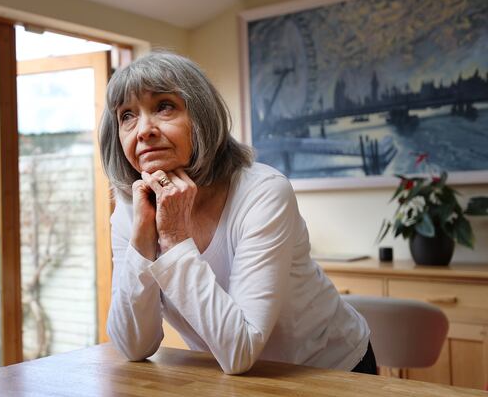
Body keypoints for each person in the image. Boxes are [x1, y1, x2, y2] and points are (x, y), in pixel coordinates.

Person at [97, 51, 374, 375]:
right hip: (240, 381)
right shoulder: (133, 208)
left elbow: (240, 348)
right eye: (127, 115)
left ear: (200, 116)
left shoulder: (263, 191)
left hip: (330, 369)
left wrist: (172, 236)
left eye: (164, 106)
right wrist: (143, 240)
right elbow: (133, 346)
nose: (143, 129)